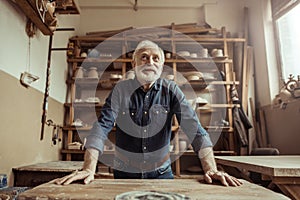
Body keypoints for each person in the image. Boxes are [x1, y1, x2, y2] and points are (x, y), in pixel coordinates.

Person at [55, 40, 242, 186]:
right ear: (134, 63)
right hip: (124, 174)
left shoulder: (172, 90)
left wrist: (211, 169)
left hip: (161, 174)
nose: (149, 62)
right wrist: (88, 169)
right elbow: (102, 126)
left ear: (161, 65)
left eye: (155, 58)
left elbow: (195, 129)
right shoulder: (121, 90)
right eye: (144, 57)